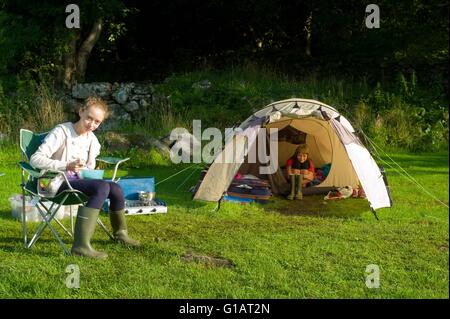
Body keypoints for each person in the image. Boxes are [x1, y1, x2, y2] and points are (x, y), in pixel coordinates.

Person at [30, 96, 140, 259]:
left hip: (77, 182)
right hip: (54, 182)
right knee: (101, 187)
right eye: (89, 118)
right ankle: (81, 246)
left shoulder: (92, 140)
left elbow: (88, 168)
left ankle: (121, 234)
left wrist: (89, 171)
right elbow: (35, 159)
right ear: (81, 111)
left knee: (115, 187)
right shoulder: (62, 132)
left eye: (97, 122)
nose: (92, 125)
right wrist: (66, 165)